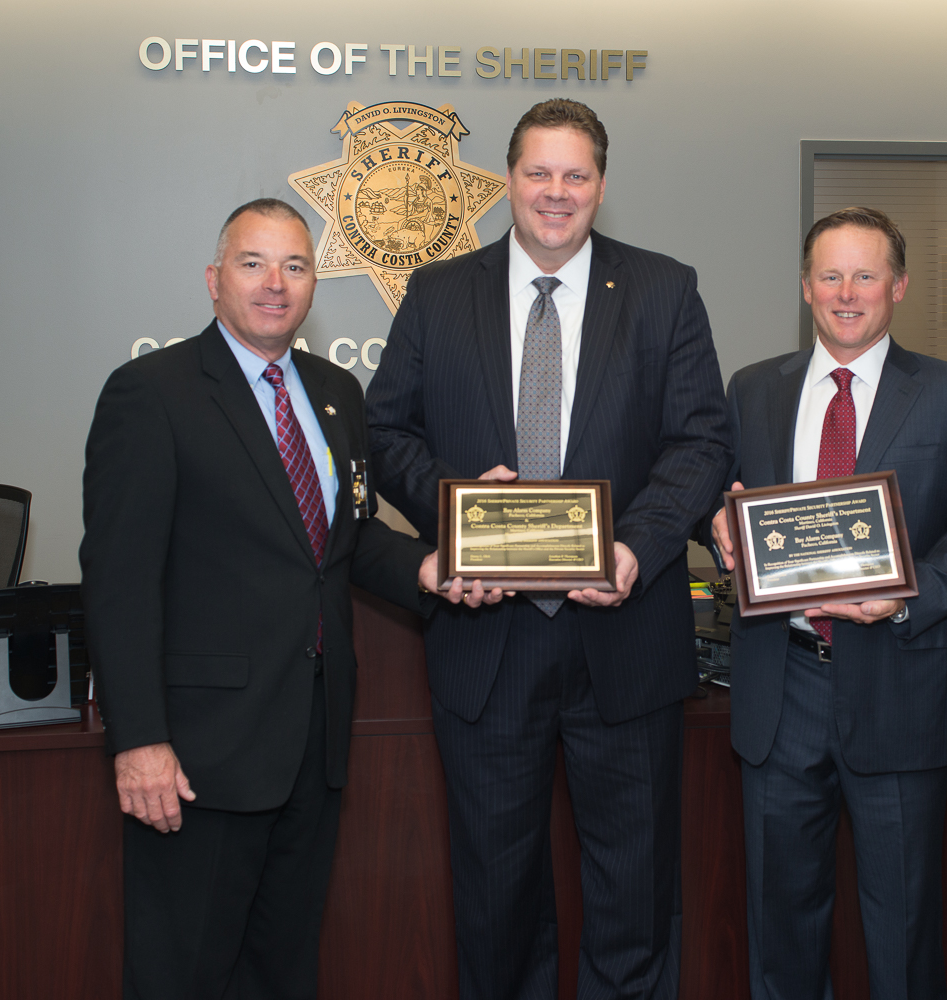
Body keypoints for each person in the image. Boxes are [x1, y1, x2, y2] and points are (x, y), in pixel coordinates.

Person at [364, 99, 731, 1000]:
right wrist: (456, 512)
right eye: (539, 173)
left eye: (576, 175)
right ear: (508, 180)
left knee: (635, 897)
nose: (556, 193)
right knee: (495, 900)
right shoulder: (437, 291)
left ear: (601, 186)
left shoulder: (663, 288)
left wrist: (639, 549)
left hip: (626, 635)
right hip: (488, 642)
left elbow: (700, 442)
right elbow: (384, 430)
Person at [80, 198, 439, 1000]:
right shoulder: (153, 392)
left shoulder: (336, 391)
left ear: (314, 284)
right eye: (253, 264)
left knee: (284, 970)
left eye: (296, 266)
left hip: (311, 745)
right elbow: (120, 578)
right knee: (184, 974)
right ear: (214, 280)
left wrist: (433, 569)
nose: (275, 284)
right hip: (198, 755)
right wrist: (138, 740)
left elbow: (344, 539)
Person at [709, 207, 947, 999]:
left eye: (866, 275)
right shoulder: (753, 390)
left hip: (899, 686)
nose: (847, 293)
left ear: (898, 287)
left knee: (903, 933)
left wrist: (903, 597)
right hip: (781, 688)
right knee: (780, 929)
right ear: (805, 286)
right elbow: (728, 511)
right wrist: (721, 533)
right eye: (830, 275)